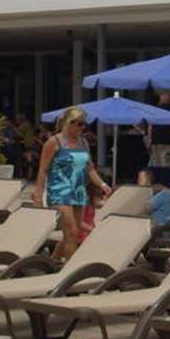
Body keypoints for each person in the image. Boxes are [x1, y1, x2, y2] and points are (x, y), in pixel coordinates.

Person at [35, 106, 110, 259]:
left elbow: (90, 169)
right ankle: (70, 267)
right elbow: (43, 169)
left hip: (78, 192)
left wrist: (102, 184)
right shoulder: (54, 142)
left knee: (72, 234)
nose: (82, 128)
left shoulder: (83, 143)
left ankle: (54, 260)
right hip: (59, 191)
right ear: (69, 122)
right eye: (79, 124)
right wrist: (38, 193)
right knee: (71, 232)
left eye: (84, 124)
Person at [147, 93, 170, 188]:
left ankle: (157, 183)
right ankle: (166, 183)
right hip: (167, 140)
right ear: (169, 100)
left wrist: (149, 139)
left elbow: (150, 126)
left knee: (156, 163)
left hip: (156, 140)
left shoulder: (154, 110)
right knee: (166, 163)